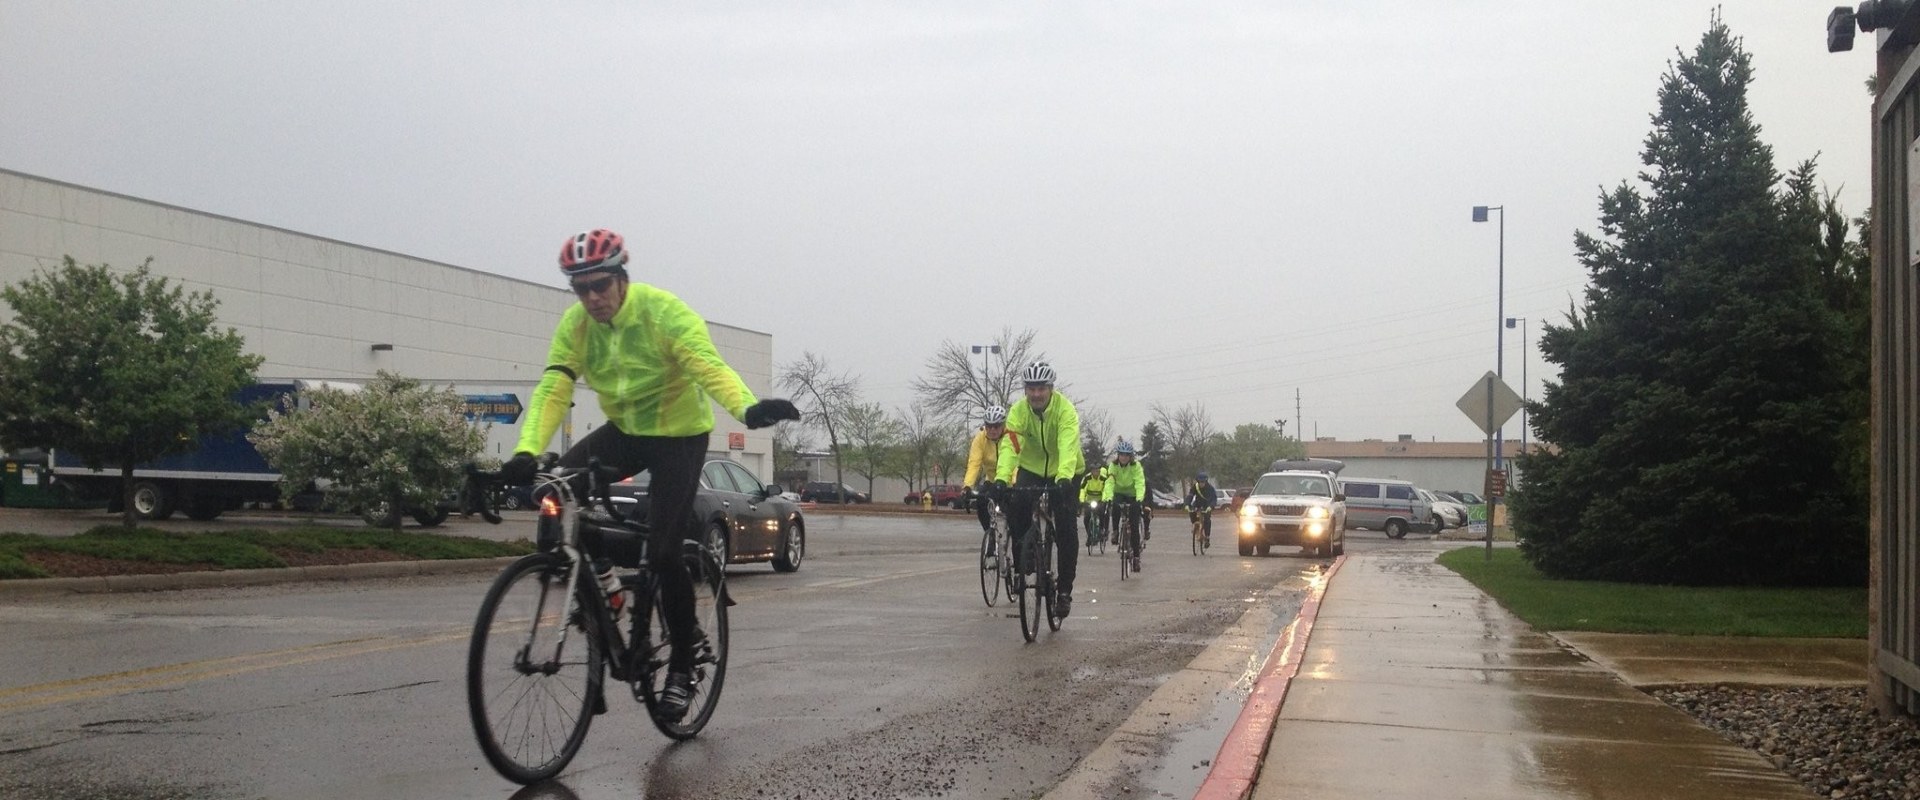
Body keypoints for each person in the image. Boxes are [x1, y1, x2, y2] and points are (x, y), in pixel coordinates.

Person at [501, 228, 800, 721]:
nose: (592, 298)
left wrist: (746, 408)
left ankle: (683, 662)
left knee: (663, 553)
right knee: (555, 489)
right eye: (581, 289)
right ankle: (608, 593)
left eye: (600, 285)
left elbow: (706, 364)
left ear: (621, 278)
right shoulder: (576, 326)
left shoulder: (663, 312)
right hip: (625, 431)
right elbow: (554, 386)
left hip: (679, 439)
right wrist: (527, 451)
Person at [993, 361, 1082, 618]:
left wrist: (1064, 478)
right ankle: (1027, 553)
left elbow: (1068, 446)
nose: (1035, 394)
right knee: (1016, 506)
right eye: (1030, 388)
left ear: (1050, 388)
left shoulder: (1065, 410)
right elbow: (1010, 447)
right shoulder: (1018, 412)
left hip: (1064, 470)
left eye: (1041, 388)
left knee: (1066, 527)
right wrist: (1001, 479)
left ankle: (1064, 590)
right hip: (1030, 467)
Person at [962, 406, 1018, 563]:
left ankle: (1017, 546)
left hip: (1011, 480)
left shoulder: (1011, 437)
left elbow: (1016, 462)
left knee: (1015, 514)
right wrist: (967, 486)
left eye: (996, 426)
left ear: (1003, 425)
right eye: (989, 426)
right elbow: (974, 463)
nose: (992, 430)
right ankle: (991, 534)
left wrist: (1013, 483)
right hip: (992, 480)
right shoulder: (980, 439)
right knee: (981, 501)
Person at [1102, 440, 1149, 572]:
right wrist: (1108, 498)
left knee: (1134, 527)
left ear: (1130, 457)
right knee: (1115, 507)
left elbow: (1140, 482)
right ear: (1118, 455)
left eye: (1127, 455)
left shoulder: (1136, 466)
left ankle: (1136, 558)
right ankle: (1115, 531)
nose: (1124, 457)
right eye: (1121, 455)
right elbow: (1110, 482)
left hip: (1133, 494)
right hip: (1118, 492)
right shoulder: (1113, 466)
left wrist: (1139, 499)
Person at [1078, 459, 1110, 549]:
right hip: (1089, 500)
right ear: (1091, 471)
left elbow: (1106, 490)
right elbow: (1082, 490)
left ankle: (1101, 530)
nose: (1096, 472)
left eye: (1097, 471)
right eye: (1094, 471)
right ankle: (1089, 535)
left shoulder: (1104, 479)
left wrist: (1104, 500)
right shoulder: (1087, 478)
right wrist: (1081, 500)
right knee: (1087, 517)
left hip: (1100, 500)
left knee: (1102, 513)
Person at [1185, 471, 1220, 548]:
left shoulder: (1210, 488)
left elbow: (1214, 499)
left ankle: (1207, 537)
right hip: (1197, 503)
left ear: (1206, 481)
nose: (1201, 484)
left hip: (1207, 505)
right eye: (1200, 482)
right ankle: (1195, 526)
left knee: (1207, 519)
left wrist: (1210, 506)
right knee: (1192, 512)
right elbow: (1190, 496)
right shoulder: (1195, 487)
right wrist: (1187, 504)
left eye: (1203, 482)